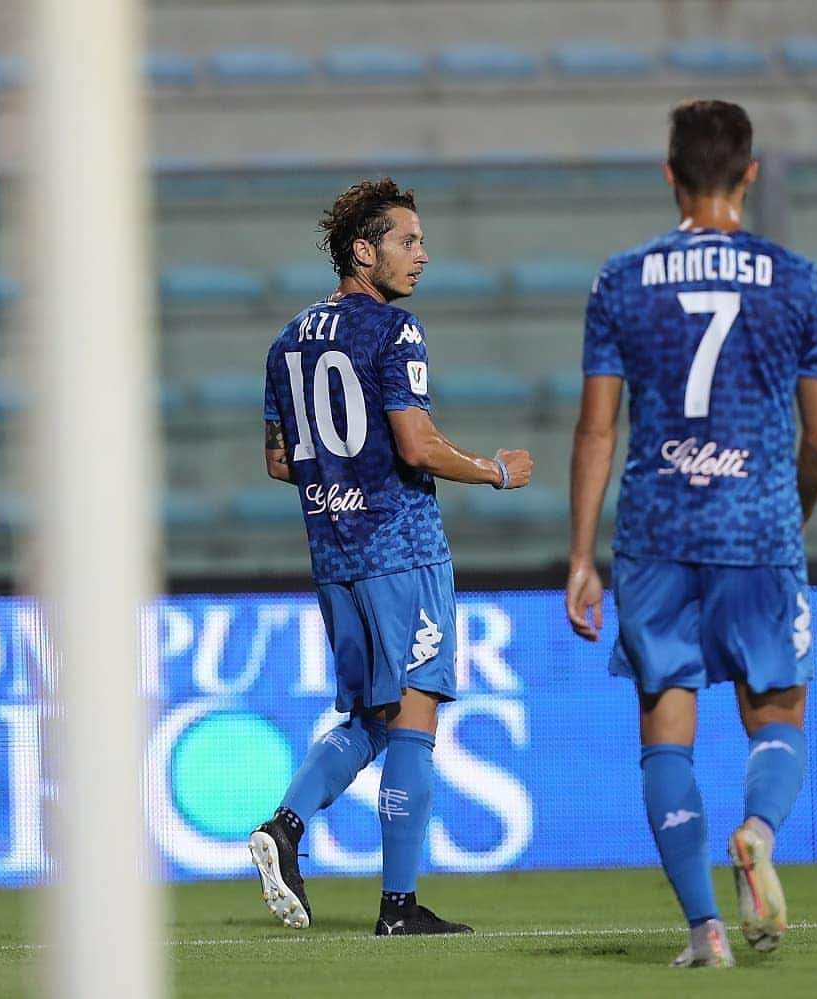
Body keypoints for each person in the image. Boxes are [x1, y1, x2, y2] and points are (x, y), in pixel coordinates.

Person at [565, 100, 817, 968]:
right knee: (777, 719)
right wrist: (787, 515)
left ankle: (703, 930)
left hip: (655, 535)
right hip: (756, 526)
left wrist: (581, 556)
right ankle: (755, 830)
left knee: (664, 735)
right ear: (750, 174)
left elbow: (597, 429)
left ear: (669, 174)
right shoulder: (798, 279)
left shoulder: (620, 279)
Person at [251, 177, 533, 936]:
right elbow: (416, 443)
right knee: (413, 719)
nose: (423, 255)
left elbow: (281, 462)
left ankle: (285, 825)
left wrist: (339, 480)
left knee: (371, 715)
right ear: (362, 250)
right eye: (407, 241)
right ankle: (399, 906)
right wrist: (494, 469)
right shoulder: (393, 332)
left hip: (334, 555)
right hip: (399, 551)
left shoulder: (285, 342)